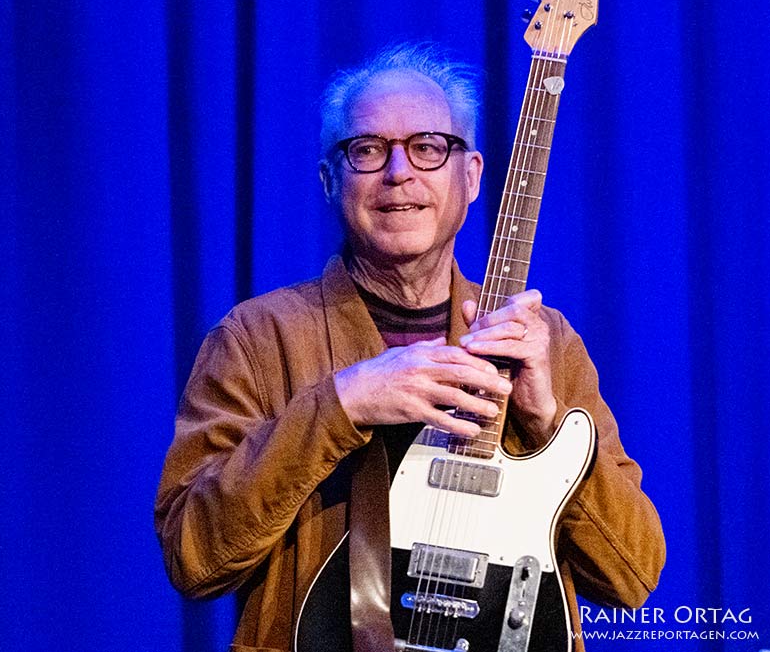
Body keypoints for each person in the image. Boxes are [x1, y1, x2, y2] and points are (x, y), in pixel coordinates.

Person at [155, 43, 665, 652]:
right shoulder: (255, 339)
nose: (400, 173)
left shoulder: (546, 342)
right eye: (367, 150)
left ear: (471, 175)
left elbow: (632, 575)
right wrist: (339, 405)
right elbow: (195, 557)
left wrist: (544, 422)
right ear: (329, 181)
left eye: (427, 147)